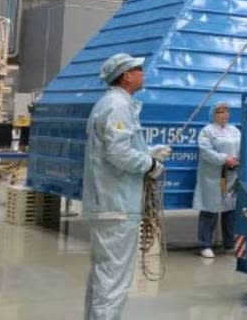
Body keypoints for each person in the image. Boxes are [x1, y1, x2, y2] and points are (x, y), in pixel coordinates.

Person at [82, 53, 171, 320]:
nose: (143, 73)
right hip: (116, 205)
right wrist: (150, 165)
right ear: (126, 76)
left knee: (103, 275)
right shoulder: (117, 106)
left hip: (110, 203)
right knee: (113, 280)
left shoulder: (115, 104)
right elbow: (118, 154)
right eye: (139, 69)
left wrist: (149, 151)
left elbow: (119, 147)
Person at [194, 102, 241, 259]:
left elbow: (242, 148)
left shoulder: (234, 130)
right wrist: (224, 159)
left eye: (227, 111)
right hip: (213, 176)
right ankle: (205, 244)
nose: (225, 114)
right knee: (210, 210)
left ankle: (229, 244)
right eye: (221, 112)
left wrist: (237, 160)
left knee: (230, 210)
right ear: (214, 114)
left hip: (231, 174)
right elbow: (206, 152)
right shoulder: (206, 132)